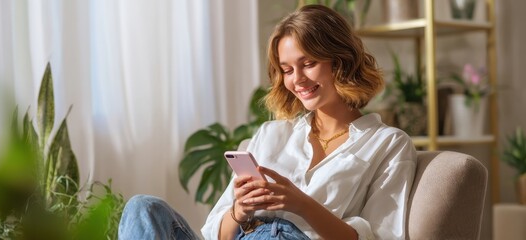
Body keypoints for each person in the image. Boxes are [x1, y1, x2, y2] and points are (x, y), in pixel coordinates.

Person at [119, 4, 416, 240]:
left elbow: (381, 236)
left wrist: (301, 204)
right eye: (286, 70)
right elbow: (216, 235)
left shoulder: (388, 144)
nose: (297, 80)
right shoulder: (271, 134)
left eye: (308, 64)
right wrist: (239, 211)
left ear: (340, 61)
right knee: (142, 208)